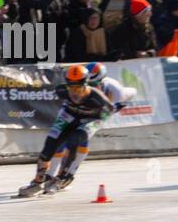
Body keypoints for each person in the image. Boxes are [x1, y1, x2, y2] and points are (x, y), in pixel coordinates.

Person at [17, 64, 114, 197]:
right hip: (69, 116)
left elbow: (110, 110)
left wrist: (97, 119)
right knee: (49, 146)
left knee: (75, 139)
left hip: (89, 120)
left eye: (78, 88)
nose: (74, 92)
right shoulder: (61, 90)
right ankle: (37, 181)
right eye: (71, 87)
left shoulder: (96, 97)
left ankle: (61, 178)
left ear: (86, 84)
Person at [41, 61, 134, 193]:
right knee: (59, 142)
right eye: (85, 84)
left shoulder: (114, 89)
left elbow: (127, 96)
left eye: (94, 85)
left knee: (79, 140)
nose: (87, 88)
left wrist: (115, 108)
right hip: (75, 111)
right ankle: (49, 176)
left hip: (93, 116)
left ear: (102, 82)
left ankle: (69, 174)